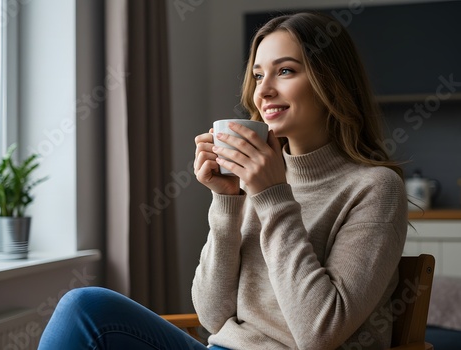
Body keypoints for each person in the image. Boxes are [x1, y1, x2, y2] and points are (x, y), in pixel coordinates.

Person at [38, 11, 408, 350]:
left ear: (331, 81)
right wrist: (227, 201)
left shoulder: (374, 188)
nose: (262, 91)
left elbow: (319, 332)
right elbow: (211, 318)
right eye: (259, 75)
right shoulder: (254, 180)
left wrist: (273, 196)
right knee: (84, 307)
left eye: (285, 71)